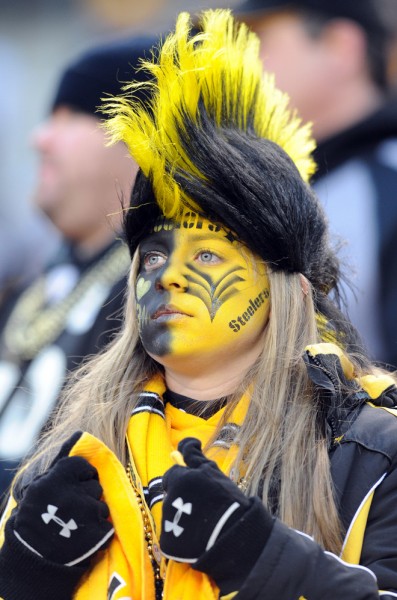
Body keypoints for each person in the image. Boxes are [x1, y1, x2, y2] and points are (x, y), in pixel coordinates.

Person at [1, 9, 397, 599]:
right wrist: (20, 577)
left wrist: (263, 557)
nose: (171, 278)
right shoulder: (69, 452)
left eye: (209, 255)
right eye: (153, 257)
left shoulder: (371, 450)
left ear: (291, 285)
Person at [0, 35, 157, 498]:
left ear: (137, 139)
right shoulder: (41, 285)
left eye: (68, 116)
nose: (39, 138)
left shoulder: (157, 291)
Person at [232, 0, 397, 368]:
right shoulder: (262, 187)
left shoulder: (386, 183)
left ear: (342, 47)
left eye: (259, 43)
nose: (235, 63)